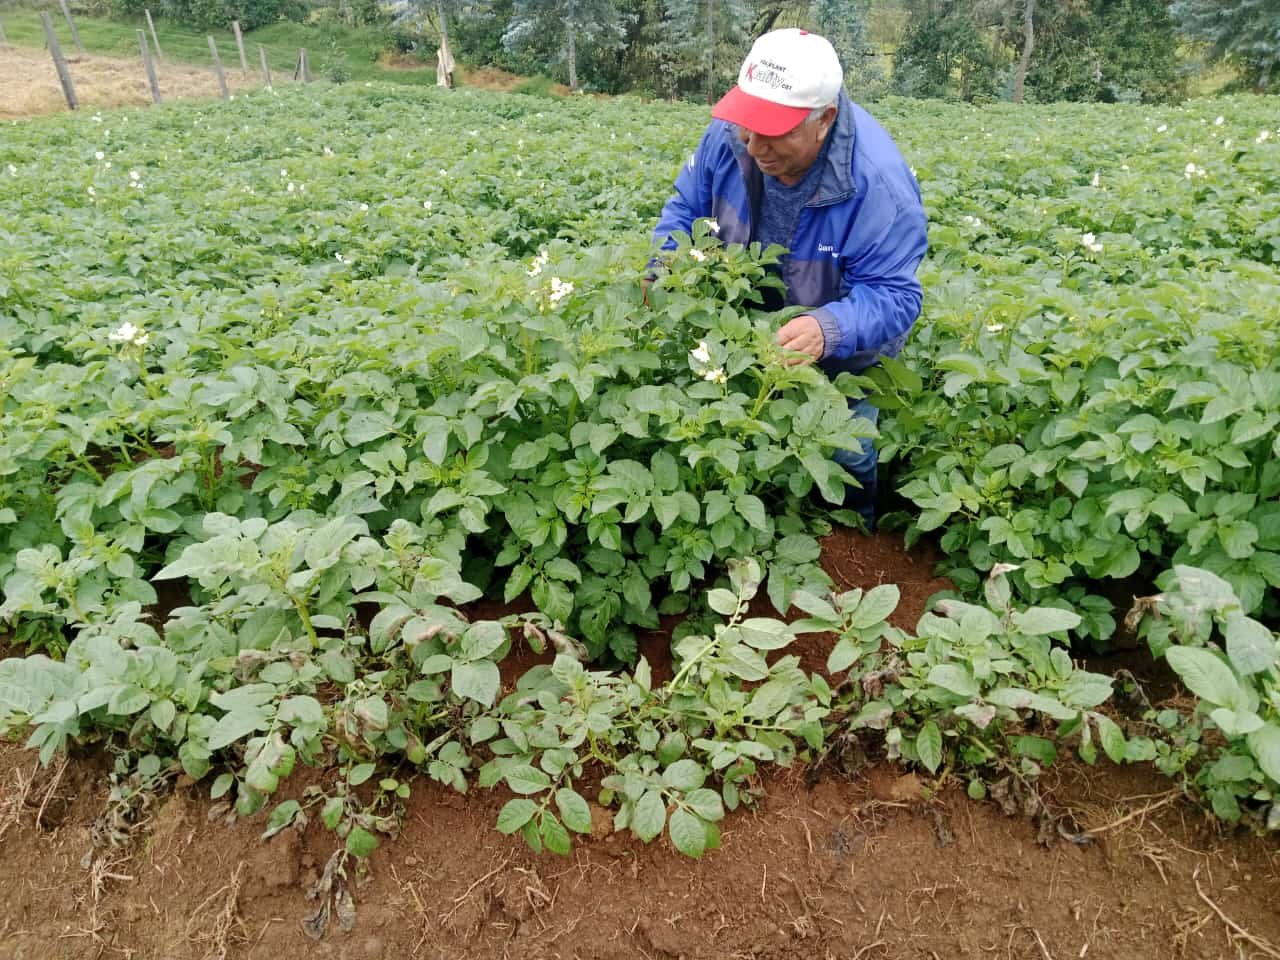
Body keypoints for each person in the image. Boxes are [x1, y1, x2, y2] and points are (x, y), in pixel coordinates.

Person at [652, 28, 928, 529]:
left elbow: (895, 294)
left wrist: (829, 328)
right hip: (739, 334)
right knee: (740, 442)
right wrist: (664, 265)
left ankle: (853, 539)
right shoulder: (729, 135)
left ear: (825, 119)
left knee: (846, 454)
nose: (754, 145)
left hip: (842, 352)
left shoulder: (877, 185)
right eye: (748, 124)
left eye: (774, 131)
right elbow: (685, 208)